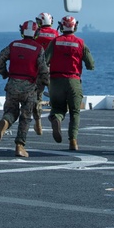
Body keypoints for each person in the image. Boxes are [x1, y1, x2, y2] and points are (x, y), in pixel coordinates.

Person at [0, 20, 50, 158]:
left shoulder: (13, 45)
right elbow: (43, 70)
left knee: (11, 111)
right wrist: (48, 84)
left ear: (22, 31)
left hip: (12, 84)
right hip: (29, 87)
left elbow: (0, 59)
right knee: (25, 117)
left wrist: (4, 73)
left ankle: (5, 122)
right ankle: (19, 146)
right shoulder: (38, 49)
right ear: (36, 33)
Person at [44, 15, 94, 151]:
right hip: (74, 81)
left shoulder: (55, 42)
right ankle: (73, 141)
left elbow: (44, 61)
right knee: (75, 112)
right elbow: (90, 64)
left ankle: (57, 119)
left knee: (58, 108)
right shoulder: (80, 43)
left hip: (55, 81)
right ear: (75, 27)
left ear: (61, 26)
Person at [31, 11, 58, 134]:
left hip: (38, 69)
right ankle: (55, 118)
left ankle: (38, 123)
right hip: (52, 69)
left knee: (37, 97)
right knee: (56, 96)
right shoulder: (56, 34)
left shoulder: (36, 34)